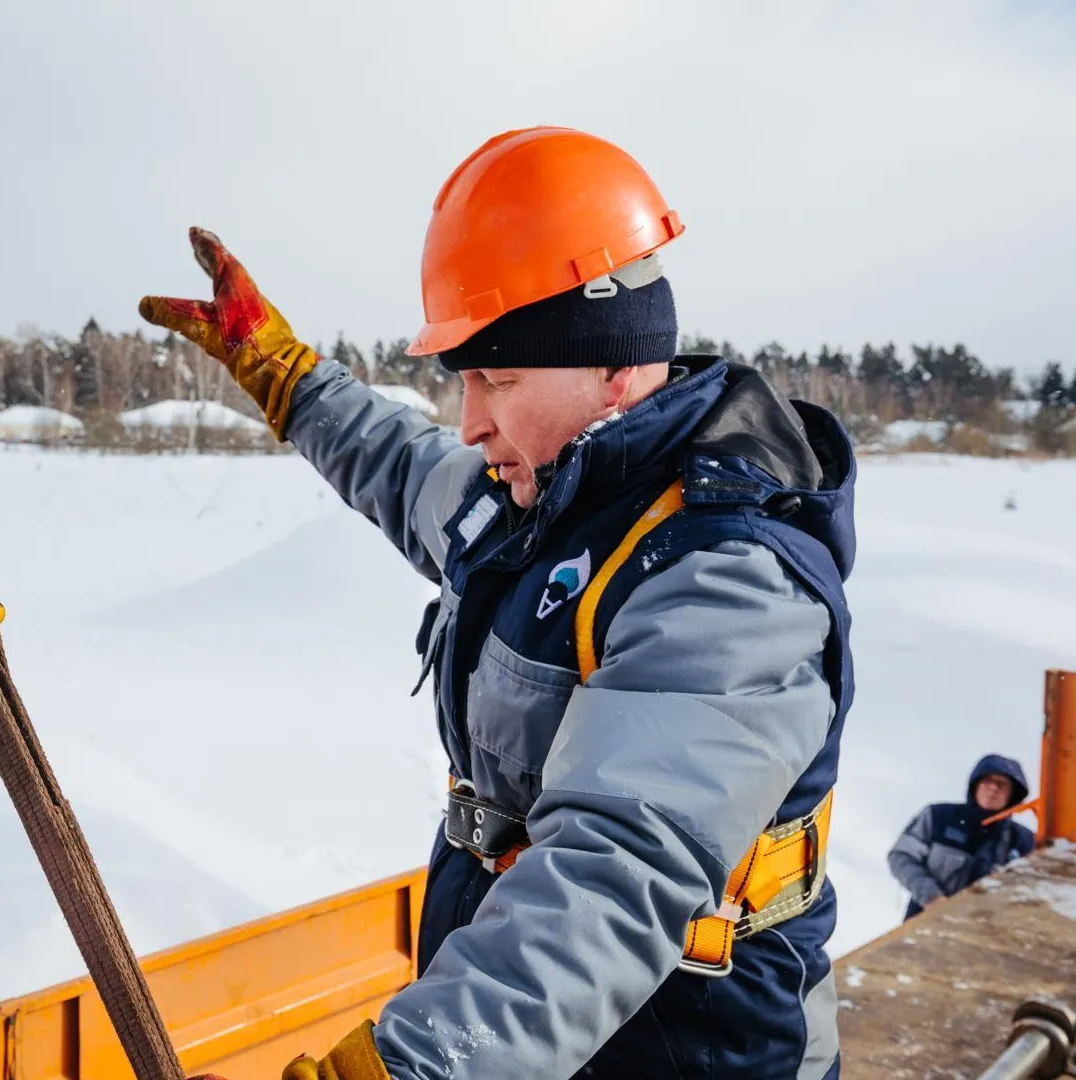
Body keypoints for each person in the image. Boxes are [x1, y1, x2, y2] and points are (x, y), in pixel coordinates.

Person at [142, 126, 856, 1080]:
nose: (470, 420)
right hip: (528, 1031)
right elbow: (401, 466)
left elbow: (612, 879)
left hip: (686, 1039)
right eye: (465, 378)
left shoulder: (723, 577)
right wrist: (283, 373)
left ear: (614, 365)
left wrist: (408, 1068)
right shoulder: (530, 492)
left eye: (500, 378)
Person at [888, 754, 1036, 920]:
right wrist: (932, 898)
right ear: (976, 784)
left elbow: (1036, 889)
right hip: (924, 926)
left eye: (1002, 784)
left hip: (986, 936)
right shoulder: (938, 817)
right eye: (988, 780)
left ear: (1013, 795)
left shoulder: (1024, 841)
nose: (993, 788)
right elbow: (901, 856)